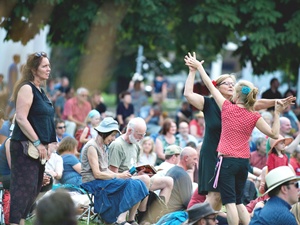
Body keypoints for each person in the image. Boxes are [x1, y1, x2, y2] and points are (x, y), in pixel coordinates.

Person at [183, 53, 295, 214]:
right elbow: (188, 94)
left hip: (231, 157)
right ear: (217, 86)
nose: (230, 85)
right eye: (226, 83)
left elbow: (259, 103)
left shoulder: (238, 106)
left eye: (232, 84)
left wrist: (277, 101)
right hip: (212, 153)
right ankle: (197, 219)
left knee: (224, 198)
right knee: (215, 196)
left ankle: (207, 219)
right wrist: (193, 71)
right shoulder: (209, 103)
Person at [9, 52, 56, 225]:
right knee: (23, 189)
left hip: (39, 150)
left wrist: (51, 143)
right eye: (44, 66)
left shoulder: (40, 91)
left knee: (34, 189)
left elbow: (47, 119)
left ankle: (20, 221)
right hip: (24, 147)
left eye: (49, 65)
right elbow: (21, 118)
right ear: (33, 69)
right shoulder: (26, 88)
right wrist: (38, 142)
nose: (48, 69)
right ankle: (14, 222)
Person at [80, 117, 148, 225]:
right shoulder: (92, 146)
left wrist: (120, 174)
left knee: (138, 183)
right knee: (130, 183)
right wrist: (117, 176)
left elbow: (105, 169)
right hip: (92, 182)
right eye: (112, 135)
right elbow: (97, 174)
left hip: (102, 179)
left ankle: (129, 219)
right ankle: (119, 219)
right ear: (104, 133)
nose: (113, 138)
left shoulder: (103, 146)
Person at [108, 117, 174, 223]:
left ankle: (158, 215)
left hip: (135, 178)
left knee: (168, 181)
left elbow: (136, 166)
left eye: (143, 134)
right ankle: (141, 216)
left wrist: (144, 171)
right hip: (121, 181)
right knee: (144, 179)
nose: (142, 137)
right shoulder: (117, 145)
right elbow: (112, 174)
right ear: (129, 130)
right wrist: (139, 176)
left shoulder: (136, 146)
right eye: (140, 135)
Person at [165, 146, 198, 213]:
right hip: (176, 215)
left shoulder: (172, 170)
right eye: (194, 159)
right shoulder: (183, 175)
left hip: (167, 213)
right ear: (186, 158)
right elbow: (188, 203)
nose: (196, 162)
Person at [5, 54, 20, 119]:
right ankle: (6, 116)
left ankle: (6, 115)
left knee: (11, 101)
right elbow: (13, 78)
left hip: (11, 86)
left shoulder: (12, 66)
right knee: (12, 101)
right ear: (17, 59)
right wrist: (15, 87)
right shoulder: (14, 66)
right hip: (13, 87)